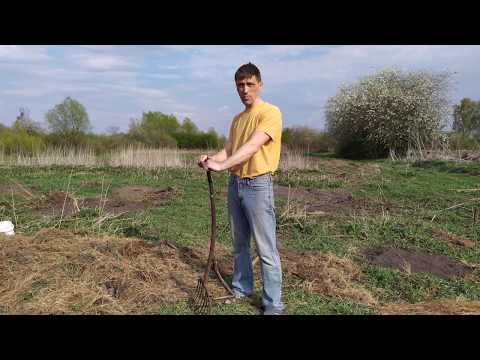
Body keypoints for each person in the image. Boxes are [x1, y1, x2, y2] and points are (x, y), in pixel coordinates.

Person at [197, 62, 284, 315]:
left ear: (260, 85)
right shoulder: (237, 119)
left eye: (250, 84)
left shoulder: (270, 113)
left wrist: (223, 165)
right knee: (239, 244)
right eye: (240, 86)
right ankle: (241, 289)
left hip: (258, 184)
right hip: (236, 185)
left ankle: (273, 304)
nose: (245, 90)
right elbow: (231, 149)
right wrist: (210, 159)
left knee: (266, 248)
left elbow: (252, 147)